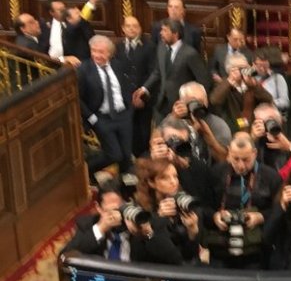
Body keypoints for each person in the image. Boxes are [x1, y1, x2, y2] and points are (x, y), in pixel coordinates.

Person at [203, 132, 282, 269]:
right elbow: (203, 206)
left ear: (255, 153)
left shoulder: (271, 177)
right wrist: (215, 216)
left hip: (256, 251)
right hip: (220, 249)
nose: (240, 165)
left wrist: (261, 217)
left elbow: (280, 211)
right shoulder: (216, 173)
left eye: (246, 159)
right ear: (229, 152)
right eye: (236, 159)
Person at [60, 180, 183, 264]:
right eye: (113, 210)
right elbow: (64, 257)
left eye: (123, 208)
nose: (119, 214)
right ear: (99, 208)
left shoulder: (150, 222)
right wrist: (100, 228)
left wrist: (147, 234)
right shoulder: (88, 224)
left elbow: (175, 260)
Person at [77, 35, 135, 180]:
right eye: (94, 51)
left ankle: (125, 187)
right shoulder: (84, 69)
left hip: (123, 116)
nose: (97, 55)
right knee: (114, 154)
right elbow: (77, 98)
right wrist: (92, 118)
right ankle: (85, 171)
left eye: (101, 52)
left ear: (109, 53)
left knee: (126, 156)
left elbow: (126, 86)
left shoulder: (118, 65)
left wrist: (129, 109)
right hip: (101, 118)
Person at [135, 19, 210, 121]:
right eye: (161, 30)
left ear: (175, 33)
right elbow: (157, 72)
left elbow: (203, 80)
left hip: (181, 105)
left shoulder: (190, 53)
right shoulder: (161, 47)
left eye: (165, 30)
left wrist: (196, 101)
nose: (161, 33)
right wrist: (144, 88)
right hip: (161, 103)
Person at [134, 158, 201, 264]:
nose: (173, 182)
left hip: (181, 272)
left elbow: (190, 255)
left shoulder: (182, 206)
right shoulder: (141, 212)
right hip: (153, 271)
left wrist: (192, 232)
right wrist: (159, 219)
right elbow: (148, 245)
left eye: (175, 176)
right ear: (151, 182)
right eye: (165, 178)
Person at [115, 16, 155, 157]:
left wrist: (142, 96)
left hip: (143, 99)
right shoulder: (117, 47)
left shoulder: (149, 47)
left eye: (135, 26)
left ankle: (142, 158)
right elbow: (116, 73)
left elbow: (152, 73)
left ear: (140, 29)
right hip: (124, 98)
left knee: (142, 132)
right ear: (123, 29)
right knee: (126, 131)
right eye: (128, 26)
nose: (132, 29)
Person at [210, 52, 274, 130]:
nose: (246, 70)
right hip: (231, 127)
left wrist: (254, 86)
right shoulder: (222, 84)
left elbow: (269, 99)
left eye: (246, 67)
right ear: (231, 70)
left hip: (253, 127)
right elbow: (214, 101)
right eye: (241, 68)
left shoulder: (251, 83)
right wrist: (229, 82)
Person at [249, 102, 291, 171]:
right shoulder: (256, 142)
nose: (269, 124)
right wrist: (252, 139)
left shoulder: (290, 136)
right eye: (263, 122)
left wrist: (289, 147)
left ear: (280, 120)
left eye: (271, 119)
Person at [252, 48, 289, 118]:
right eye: (259, 66)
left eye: (265, 66)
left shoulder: (277, 78)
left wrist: (270, 102)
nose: (262, 69)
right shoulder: (250, 79)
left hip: (271, 115)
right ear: (253, 64)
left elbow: (285, 102)